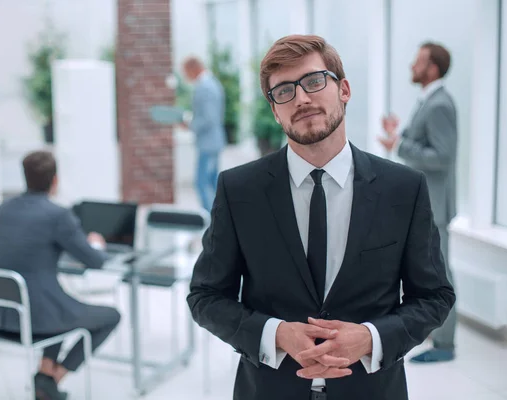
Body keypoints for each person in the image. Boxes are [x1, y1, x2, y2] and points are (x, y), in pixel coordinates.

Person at [187, 35, 455, 400]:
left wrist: (371, 339)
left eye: (314, 82)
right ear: (274, 111)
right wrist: (276, 334)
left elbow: (435, 295)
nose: (301, 98)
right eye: (284, 91)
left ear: (343, 89)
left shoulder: (403, 188)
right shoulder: (239, 190)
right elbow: (205, 296)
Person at [0, 151, 121, 400]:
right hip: (37, 316)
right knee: (110, 316)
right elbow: (94, 261)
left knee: (59, 305)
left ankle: (44, 378)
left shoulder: (4, 209)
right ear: (55, 181)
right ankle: (52, 378)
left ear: (25, 178)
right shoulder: (57, 215)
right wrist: (95, 243)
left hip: (5, 312)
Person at [379, 42, 458, 363]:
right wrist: (399, 137)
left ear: (433, 68)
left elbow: (442, 156)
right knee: (427, 272)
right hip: (425, 203)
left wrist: (399, 143)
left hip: (436, 206)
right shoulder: (428, 100)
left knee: (441, 276)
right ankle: (435, 334)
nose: (412, 64)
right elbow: (421, 145)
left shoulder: (440, 104)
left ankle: (445, 345)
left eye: (419, 61)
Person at [181, 56, 226, 212]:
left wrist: (189, 125)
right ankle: (219, 221)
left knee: (202, 183)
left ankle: (211, 223)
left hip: (208, 143)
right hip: (213, 141)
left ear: (193, 69)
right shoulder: (212, 83)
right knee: (213, 184)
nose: (186, 77)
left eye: (186, 72)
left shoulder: (205, 87)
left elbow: (208, 118)